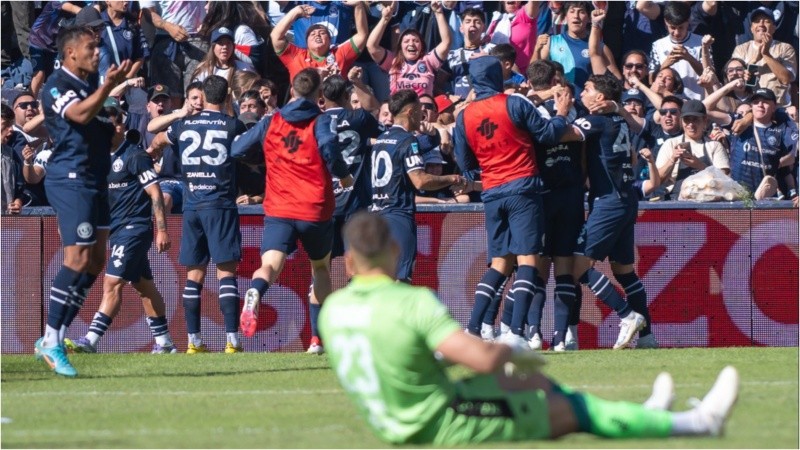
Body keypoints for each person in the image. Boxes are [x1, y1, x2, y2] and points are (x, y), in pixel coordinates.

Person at [319, 211, 740, 446]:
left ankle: (641, 416)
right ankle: (697, 423)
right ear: (394, 251)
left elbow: (399, 357)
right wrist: (511, 348)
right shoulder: (409, 301)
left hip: (399, 418)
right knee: (574, 412)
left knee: (532, 384)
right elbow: (481, 359)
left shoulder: (333, 311)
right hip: (440, 423)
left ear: (349, 262)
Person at [453, 56, 572, 348]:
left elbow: (464, 164)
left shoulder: (463, 116)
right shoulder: (515, 103)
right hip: (523, 188)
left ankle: (472, 328)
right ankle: (516, 332)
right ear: (497, 76)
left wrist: (489, 169)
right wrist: (561, 113)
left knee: (499, 263)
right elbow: (546, 134)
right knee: (528, 259)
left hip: (492, 193)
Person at [232, 68, 354, 354]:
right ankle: (317, 340)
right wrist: (344, 175)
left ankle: (256, 291)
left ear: (291, 91)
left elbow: (237, 149)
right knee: (321, 268)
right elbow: (328, 147)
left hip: (279, 206)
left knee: (271, 265)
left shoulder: (271, 121)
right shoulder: (319, 120)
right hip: (314, 208)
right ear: (319, 95)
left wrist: (263, 159)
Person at [34, 26, 131, 377]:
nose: (97, 51)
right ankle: (51, 338)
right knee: (76, 258)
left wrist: (112, 120)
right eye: (91, 47)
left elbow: (98, 129)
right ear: (71, 52)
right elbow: (76, 115)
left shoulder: (89, 87)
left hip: (95, 179)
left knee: (95, 262)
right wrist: (107, 87)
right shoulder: (57, 84)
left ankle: (55, 335)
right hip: (71, 179)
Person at [65, 98, 176, 354]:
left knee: (112, 283)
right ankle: (165, 343)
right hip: (115, 230)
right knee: (144, 286)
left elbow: (156, 193)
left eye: (111, 121)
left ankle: (91, 341)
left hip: (134, 228)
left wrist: (161, 229)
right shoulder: (99, 157)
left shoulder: (134, 155)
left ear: (120, 125)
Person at [151, 75, 247, 354]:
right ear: (227, 95)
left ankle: (194, 342)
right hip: (220, 204)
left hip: (192, 205)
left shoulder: (183, 125)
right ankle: (232, 341)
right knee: (225, 273)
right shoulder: (233, 125)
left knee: (194, 275)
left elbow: (158, 137)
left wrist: (152, 150)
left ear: (202, 96)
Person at [568, 74, 653, 349]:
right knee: (624, 270)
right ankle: (648, 337)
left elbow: (560, 134)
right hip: (627, 198)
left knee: (577, 266)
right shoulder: (620, 120)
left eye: (588, 89)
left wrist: (558, 114)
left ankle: (627, 315)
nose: (582, 93)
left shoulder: (594, 121)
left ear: (600, 99)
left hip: (609, 201)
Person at [369, 89, 466, 283]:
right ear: (411, 112)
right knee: (400, 280)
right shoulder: (407, 141)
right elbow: (420, 181)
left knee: (379, 279)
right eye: (420, 111)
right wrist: (452, 179)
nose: (422, 116)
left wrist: (433, 138)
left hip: (376, 217)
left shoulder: (381, 140)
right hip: (398, 216)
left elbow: (410, 150)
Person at [367, 0, 451, 97]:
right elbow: (371, 46)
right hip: (400, 109)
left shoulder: (428, 61)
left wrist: (439, 13)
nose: (411, 44)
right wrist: (384, 20)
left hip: (423, 109)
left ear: (422, 46)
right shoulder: (393, 62)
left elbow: (446, 42)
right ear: (400, 46)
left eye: (416, 41)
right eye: (406, 41)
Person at [271, 2, 368, 83]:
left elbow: (362, 35)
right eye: (312, 34)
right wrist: (294, 12)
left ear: (330, 40)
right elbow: (275, 37)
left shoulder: (340, 54)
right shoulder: (296, 56)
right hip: (305, 105)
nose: (317, 34)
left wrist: (359, 6)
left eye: (322, 33)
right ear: (306, 42)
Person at [655, 100, 730, 198]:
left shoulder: (714, 146)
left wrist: (699, 165)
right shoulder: (670, 144)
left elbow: (724, 181)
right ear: (681, 121)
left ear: (705, 121)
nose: (691, 124)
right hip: (675, 201)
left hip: (707, 201)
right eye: (687, 120)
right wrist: (672, 160)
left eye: (695, 119)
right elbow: (657, 180)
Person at [729, 88, 797, 196]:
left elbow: (791, 158)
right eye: (756, 102)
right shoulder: (739, 123)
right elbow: (708, 109)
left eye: (765, 102)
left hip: (766, 196)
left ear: (774, 107)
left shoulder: (781, 130)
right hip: (736, 194)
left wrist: (775, 164)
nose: (760, 105)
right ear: (751, 106)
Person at [731, 7, 798, 108]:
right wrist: (755, 59)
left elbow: (786, 79)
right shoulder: (740, 49)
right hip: (750, 107)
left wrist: (766, 54)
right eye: (757, 21)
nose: (761, 24)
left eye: (767, 21)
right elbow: (736, 81)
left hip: (779, 107)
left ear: (774, 28)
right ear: (751, 28)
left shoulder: (785, 48)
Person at [647, 2, 710, 100]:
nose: (676, 33)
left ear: (688, 21)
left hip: (696, 101)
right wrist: (666, 63)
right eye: (672, 27)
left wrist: (689, 58)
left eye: (681, 27)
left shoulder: (702, 42)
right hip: (667, 103)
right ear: (665, 22)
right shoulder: (658, 45)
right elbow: (651, 81)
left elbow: (709, 75)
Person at [1, 102, 24, 214]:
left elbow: (19, 188)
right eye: (6, 124)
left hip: (7, 224)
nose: (11, 129)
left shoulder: (11, 154)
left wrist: (18, 202)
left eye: (12, 125)